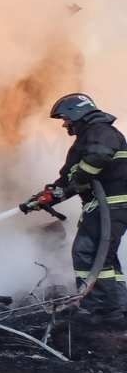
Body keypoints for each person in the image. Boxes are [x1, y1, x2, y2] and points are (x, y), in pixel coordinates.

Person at [22, 94, 127, 321]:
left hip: (111, 205)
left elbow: (98, 158)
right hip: (104, 206)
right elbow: (70, 182)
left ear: (77, 113)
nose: (64, 124)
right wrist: (47, 197)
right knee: (103, 256)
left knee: (87, 252)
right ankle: (116, 307)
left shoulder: (100, 131)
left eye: (66, 118)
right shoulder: (88, 138)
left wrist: (80, 175)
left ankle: (100, 307)